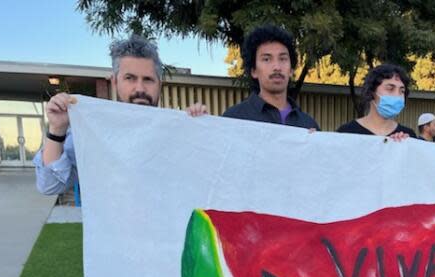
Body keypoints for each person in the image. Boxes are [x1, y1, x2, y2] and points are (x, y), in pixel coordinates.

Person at [34, 34, 207, 196]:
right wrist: (57, 129)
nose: (140, 88)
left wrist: (202, 130)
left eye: (148, 79)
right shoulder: (93, 132)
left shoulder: (178, 131)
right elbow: (49, 186)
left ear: (159, 84)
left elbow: (207, 180)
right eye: (130, 78)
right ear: (115, 82)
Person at [223, 25, 319, 129]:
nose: (277, 67)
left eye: (283, 59)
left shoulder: (308, 124)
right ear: (254, 71)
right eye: (267, 59)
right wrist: (203, 122)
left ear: (291, 70)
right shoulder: (234, 119)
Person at [337, 64, 416, 140]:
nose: (397, 95)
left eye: (402, 91)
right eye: (390, 89)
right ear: (371, 92)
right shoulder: (346, 133)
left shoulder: (408, 136)